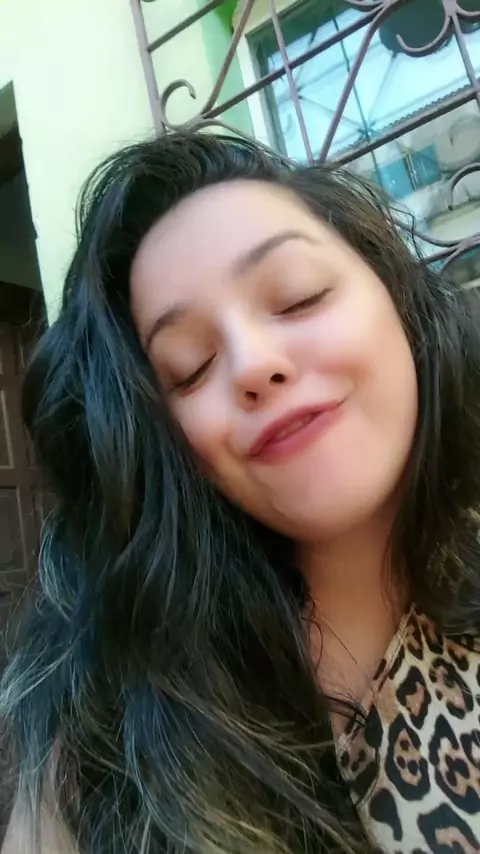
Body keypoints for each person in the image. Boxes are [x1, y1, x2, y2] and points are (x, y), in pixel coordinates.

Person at [1, 132, 479, 854]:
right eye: (191, 367)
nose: (254, 365)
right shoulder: (107, 739)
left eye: (298, 296)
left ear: (397, 299)